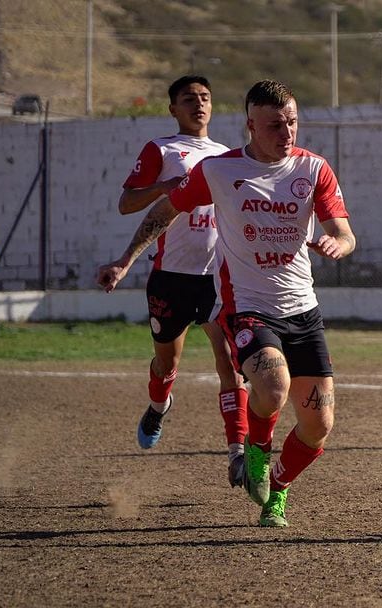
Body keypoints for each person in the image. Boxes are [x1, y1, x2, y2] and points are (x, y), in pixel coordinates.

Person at [97, 79, 357, 528]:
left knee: (319, 425)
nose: (287, 132)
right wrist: (125, 259)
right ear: (251, 125)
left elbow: (345, 232)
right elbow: (165, 211)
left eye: (292, 122)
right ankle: (254, 447)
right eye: (275, 125)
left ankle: (277, 489)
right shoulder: (218, 170)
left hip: (303, 310)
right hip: (247, 307)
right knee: (272, 388)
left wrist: (339, 244)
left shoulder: (314, 169)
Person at [113, 74, 249, 488]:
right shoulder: (162, 150)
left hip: (215, 278)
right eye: (189, 99)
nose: (199, 104)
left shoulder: (227, 156)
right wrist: (167, 187)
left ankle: (238, 452)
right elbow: (126, 203)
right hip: (170, 279)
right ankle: (159, 405)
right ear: (173, 108)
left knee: (230, 364)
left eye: (205, 97)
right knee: (166, 364)